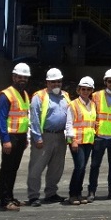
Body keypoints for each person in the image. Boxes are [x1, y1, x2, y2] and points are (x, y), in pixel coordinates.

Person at [26, 67, 70, 207]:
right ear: (47, 82)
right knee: (36, 168)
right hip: (44, 136)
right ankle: (33, 196)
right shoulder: (39, 97)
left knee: (56, 168)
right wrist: (37, 137)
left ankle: (51, 193)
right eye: (53, 82)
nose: (56, 84)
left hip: (60, 136)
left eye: (58, 81)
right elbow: (34, 119)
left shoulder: (66, 96)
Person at [87, 68, 111, 202]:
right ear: (105, 82)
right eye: (110, 81)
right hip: (99, 137)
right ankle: (91, 191)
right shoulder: (96, 96)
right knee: (94, 166)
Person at [0, 63, 32, 211]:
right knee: (6, 169)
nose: (22, 79)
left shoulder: (24, 94)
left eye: (25, 77)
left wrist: (26, 137)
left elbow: (24, 117)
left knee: (14, 169)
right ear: (13, 77)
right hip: (10, 137)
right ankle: (5, 200)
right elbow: (2, 120)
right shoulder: (7, 95)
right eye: (19, 77)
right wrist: (5, 140)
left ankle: (10, 197)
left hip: (21, 136)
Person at [65, 76, 97, 205]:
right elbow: (69, 124)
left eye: (88, 89)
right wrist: (72, 140)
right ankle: (73, 194)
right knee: (79, 166)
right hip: (76, 141)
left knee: (83, 168)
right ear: (79, 90)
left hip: (88, 141)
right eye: (83, 89)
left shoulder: (93, 105)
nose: (86, 91)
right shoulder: (73, 105)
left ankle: (78, 193)